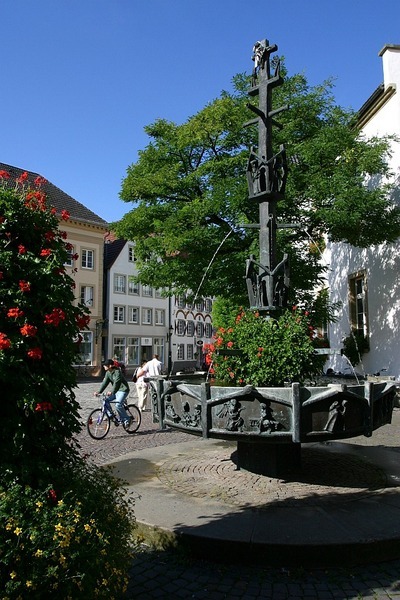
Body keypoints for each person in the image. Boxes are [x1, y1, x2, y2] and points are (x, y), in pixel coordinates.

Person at [94, 359, 131, 427]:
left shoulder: (117, 372)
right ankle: (111, 416)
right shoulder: (108, 373)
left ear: (110, 366)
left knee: (118, 405)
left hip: (123, 390)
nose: (103, 366)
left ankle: (127, 419)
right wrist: (99, 392)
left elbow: (117, 383)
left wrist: (112, 391)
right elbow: (104, 383)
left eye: (105, 365)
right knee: (105, 400)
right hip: (116, 391)